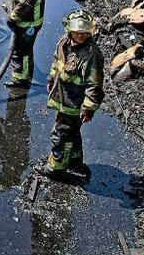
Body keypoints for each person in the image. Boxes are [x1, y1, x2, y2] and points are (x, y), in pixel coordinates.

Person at [41, 9, 103, 181]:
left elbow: (95, 85)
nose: (81, 36)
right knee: (72, 132)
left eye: (84, 33)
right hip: (63, 97)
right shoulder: (64, 43)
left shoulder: (91, 54)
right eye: (77, 32)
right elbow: (57, 62)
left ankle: (56, 168)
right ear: (69, 30)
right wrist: (51, 78)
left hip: (75, 104)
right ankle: (75, 162)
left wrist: (88, 109)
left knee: (60, 134)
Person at [5, 0, 48, 88]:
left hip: (27, 24)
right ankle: (27, 71)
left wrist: (11, 18)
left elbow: (24, 6)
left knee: (20, 51)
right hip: (29, 22)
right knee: (27, 50)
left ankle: (20, 80)